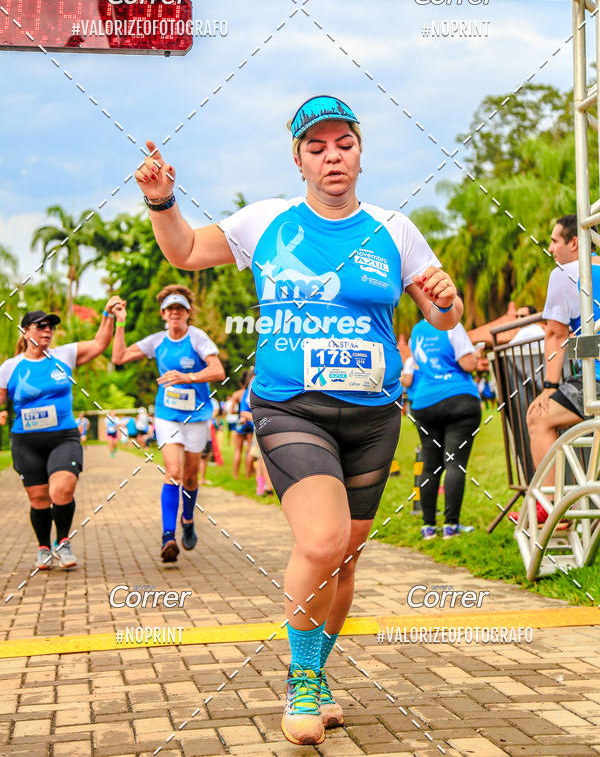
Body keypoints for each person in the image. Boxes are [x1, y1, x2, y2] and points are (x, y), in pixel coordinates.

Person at [133, 94, 462, 746]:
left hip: (372, 416)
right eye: (316, 147)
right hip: (290, 407)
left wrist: (446, 306)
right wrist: (163, 202)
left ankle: (318, 672)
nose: (332, 156)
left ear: (360, 154)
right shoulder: (268, 224)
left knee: (345, 561)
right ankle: (302, 681)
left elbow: (441, 314)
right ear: (298, 160)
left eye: (343, 144)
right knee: (320, 541)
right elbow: (185, 253)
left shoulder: (395, 229)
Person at [0, 299, 124, 570]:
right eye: (40, 326)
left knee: (62, 490)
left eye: (51, 327)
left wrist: (107, 314)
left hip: (63, 437)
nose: (47, 331)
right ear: (25, 331)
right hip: (26, 441)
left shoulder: (64, 355)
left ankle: (63, 542)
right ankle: (44, 547)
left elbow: (99, 344)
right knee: (39, 498)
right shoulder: (10, 367)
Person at [111, 284, 225, 562]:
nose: (175, 313)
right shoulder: (157, 341)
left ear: (188, 313)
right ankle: (168, 536)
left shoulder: (198, 338)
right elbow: (119, 357)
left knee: (191, 476)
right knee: (173, 471)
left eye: (180, 309)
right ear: (163, 313)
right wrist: (121, 323)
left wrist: (187, 377)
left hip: (197, 415)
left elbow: (218, 370)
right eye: (170, 309)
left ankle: (187, 519)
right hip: (167, 415)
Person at [525, 215, 581, 522]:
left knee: (538, 416)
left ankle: (554, 509)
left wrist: (549, 387)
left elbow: (556, 334)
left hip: (595, 383)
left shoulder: (564, 274)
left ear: (574, 242)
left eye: (554, 241)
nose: (550, 248)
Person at [409, 319, 481, 540]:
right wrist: (476, 356)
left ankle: (428, 526)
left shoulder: (417, 330)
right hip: (458, 397)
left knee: (430, 466)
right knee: (454, 463)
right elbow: (468, 364)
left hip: (425, 401)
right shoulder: (452, 325)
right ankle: (451, 525)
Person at [230, 370, 256, 479]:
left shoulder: (237, 394)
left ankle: (235, 475)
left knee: (237, 450)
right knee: (249, 450)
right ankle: (247, 474)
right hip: (251, 421)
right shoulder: (253, 390)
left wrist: (239, 413)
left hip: (241, 421)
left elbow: (231, 411)